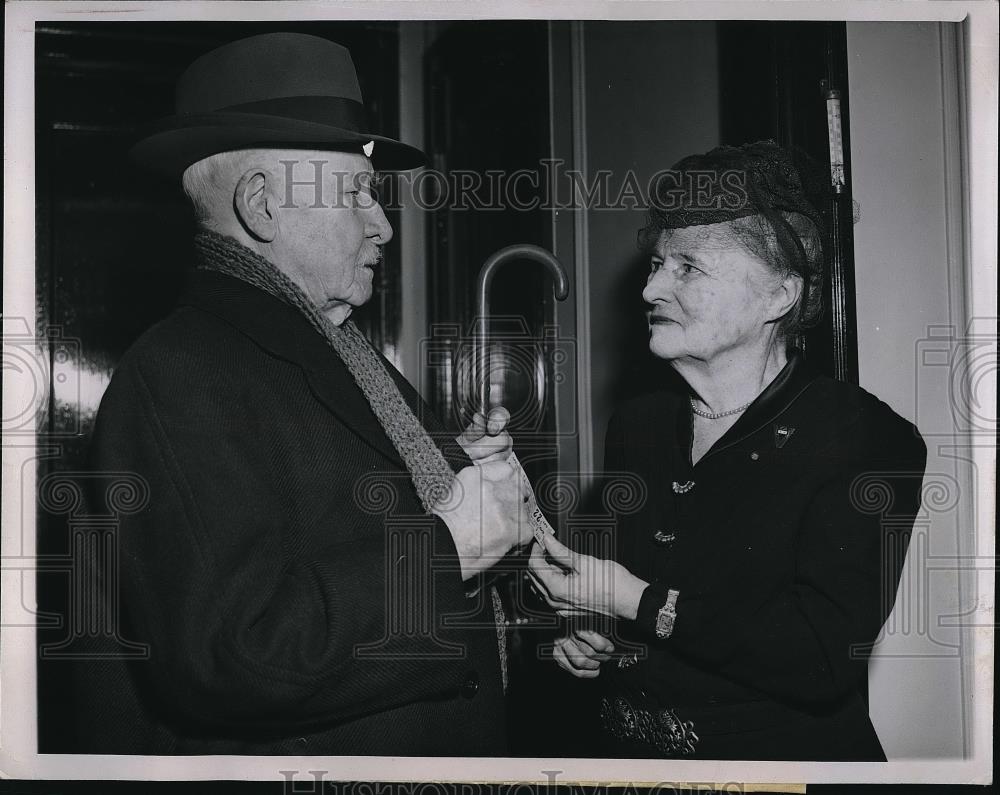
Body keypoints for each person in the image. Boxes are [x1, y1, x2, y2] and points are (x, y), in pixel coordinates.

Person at [76, 32, 526, 755]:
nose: (382, 224)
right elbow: (234, 651)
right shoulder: (177, 373)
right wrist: (451, 545)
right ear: (260, 206)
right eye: (356, 193)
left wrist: (444, 475)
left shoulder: (329, 342)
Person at [528, 141, 927, 760]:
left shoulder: (861, 437)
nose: (651, 289)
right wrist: (584, 631)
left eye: (689, 267)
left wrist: (631, 601)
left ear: (779, 296)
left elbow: (822, 661)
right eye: (657, 264)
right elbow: (608, 589)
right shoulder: (638, 425)